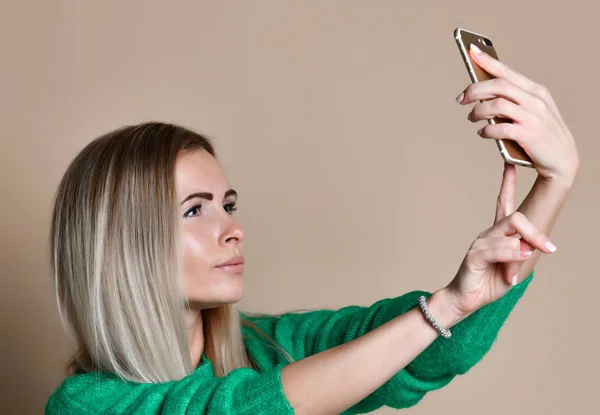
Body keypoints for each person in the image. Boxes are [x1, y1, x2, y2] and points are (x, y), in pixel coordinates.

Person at [45, 45, 579, 415]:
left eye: (228, 205)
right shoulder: (85, 404)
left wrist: (555, 180)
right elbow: (246, 409)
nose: (233, 230)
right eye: (194, 210)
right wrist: (442, 309)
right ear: (123, 244)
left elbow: (434, 350)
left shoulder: (272, 347)